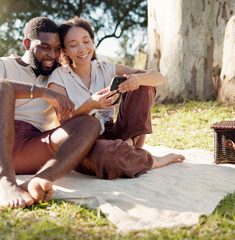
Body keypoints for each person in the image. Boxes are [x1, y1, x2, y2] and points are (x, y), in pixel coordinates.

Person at [0, 17, 100, 208]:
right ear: (27, 44)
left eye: (57, 49)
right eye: (45, 47)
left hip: (31, 145)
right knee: (0, 88)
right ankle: (5, 181)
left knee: (90, 123)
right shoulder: (2, 63)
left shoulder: (58, 75)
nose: (52, 55)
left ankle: (38, 181)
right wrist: (41, 92)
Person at [48, 17, 185, 180]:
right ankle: (151, 160)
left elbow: (157, 77)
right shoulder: (58, 77)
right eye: (73, 45)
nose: (82, 48)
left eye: (86, 41)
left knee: (142, 82)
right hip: (83, 140)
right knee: (107, 158)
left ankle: (128, 147)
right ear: (64, 50)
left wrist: (138, 80)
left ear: (93, 41)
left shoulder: (105, 68)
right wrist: (91, 105)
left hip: (117, 134)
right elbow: (62, 123)